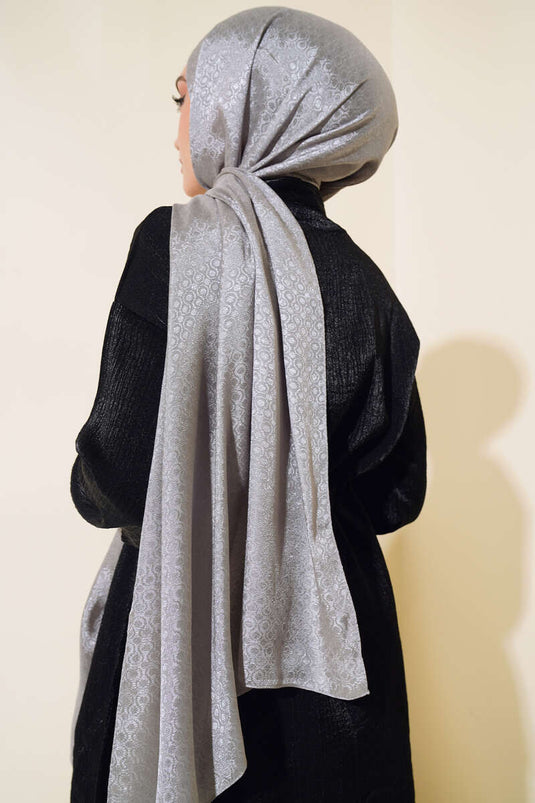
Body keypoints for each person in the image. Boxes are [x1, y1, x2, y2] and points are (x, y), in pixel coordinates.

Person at [69, 7, 427, 802]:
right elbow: (396, 498)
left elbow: (116, 480)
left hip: (180, 621)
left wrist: (100, 483)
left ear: (244, 104)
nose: (177, 130)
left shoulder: (172, 247)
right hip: (331, 655)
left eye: (185, 97)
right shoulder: (368, 285)